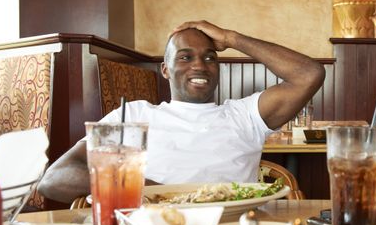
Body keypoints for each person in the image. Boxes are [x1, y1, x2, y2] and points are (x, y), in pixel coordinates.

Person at [38, 20, 325, 204]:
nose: (199, 65)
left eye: (209, 58)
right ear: (165, 69)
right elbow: (55, 178)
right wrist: (157, 194)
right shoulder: (134, 115)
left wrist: (231, 38)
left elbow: (309, 74)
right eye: (185, 57)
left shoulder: (245, 114)